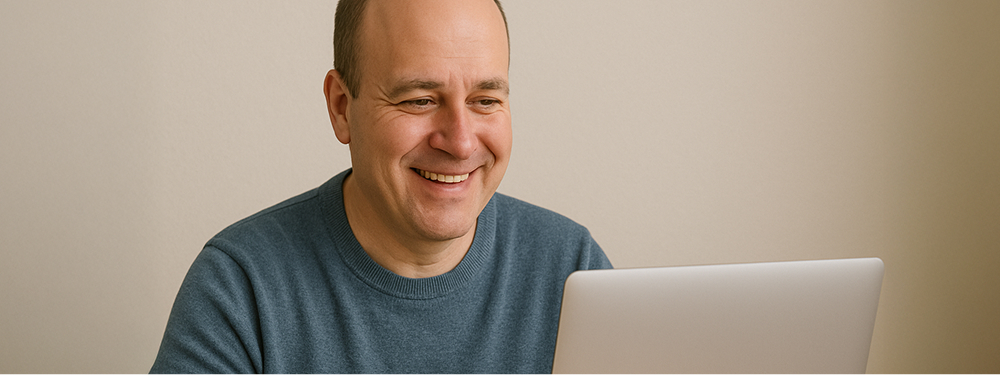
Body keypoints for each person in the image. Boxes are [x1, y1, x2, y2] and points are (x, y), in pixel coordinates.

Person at [150, 0, 612, 372]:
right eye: (419, 100)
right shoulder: (241, 286)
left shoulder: (574, 272)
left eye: (485, 100)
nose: (461, 140)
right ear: (341, 107)